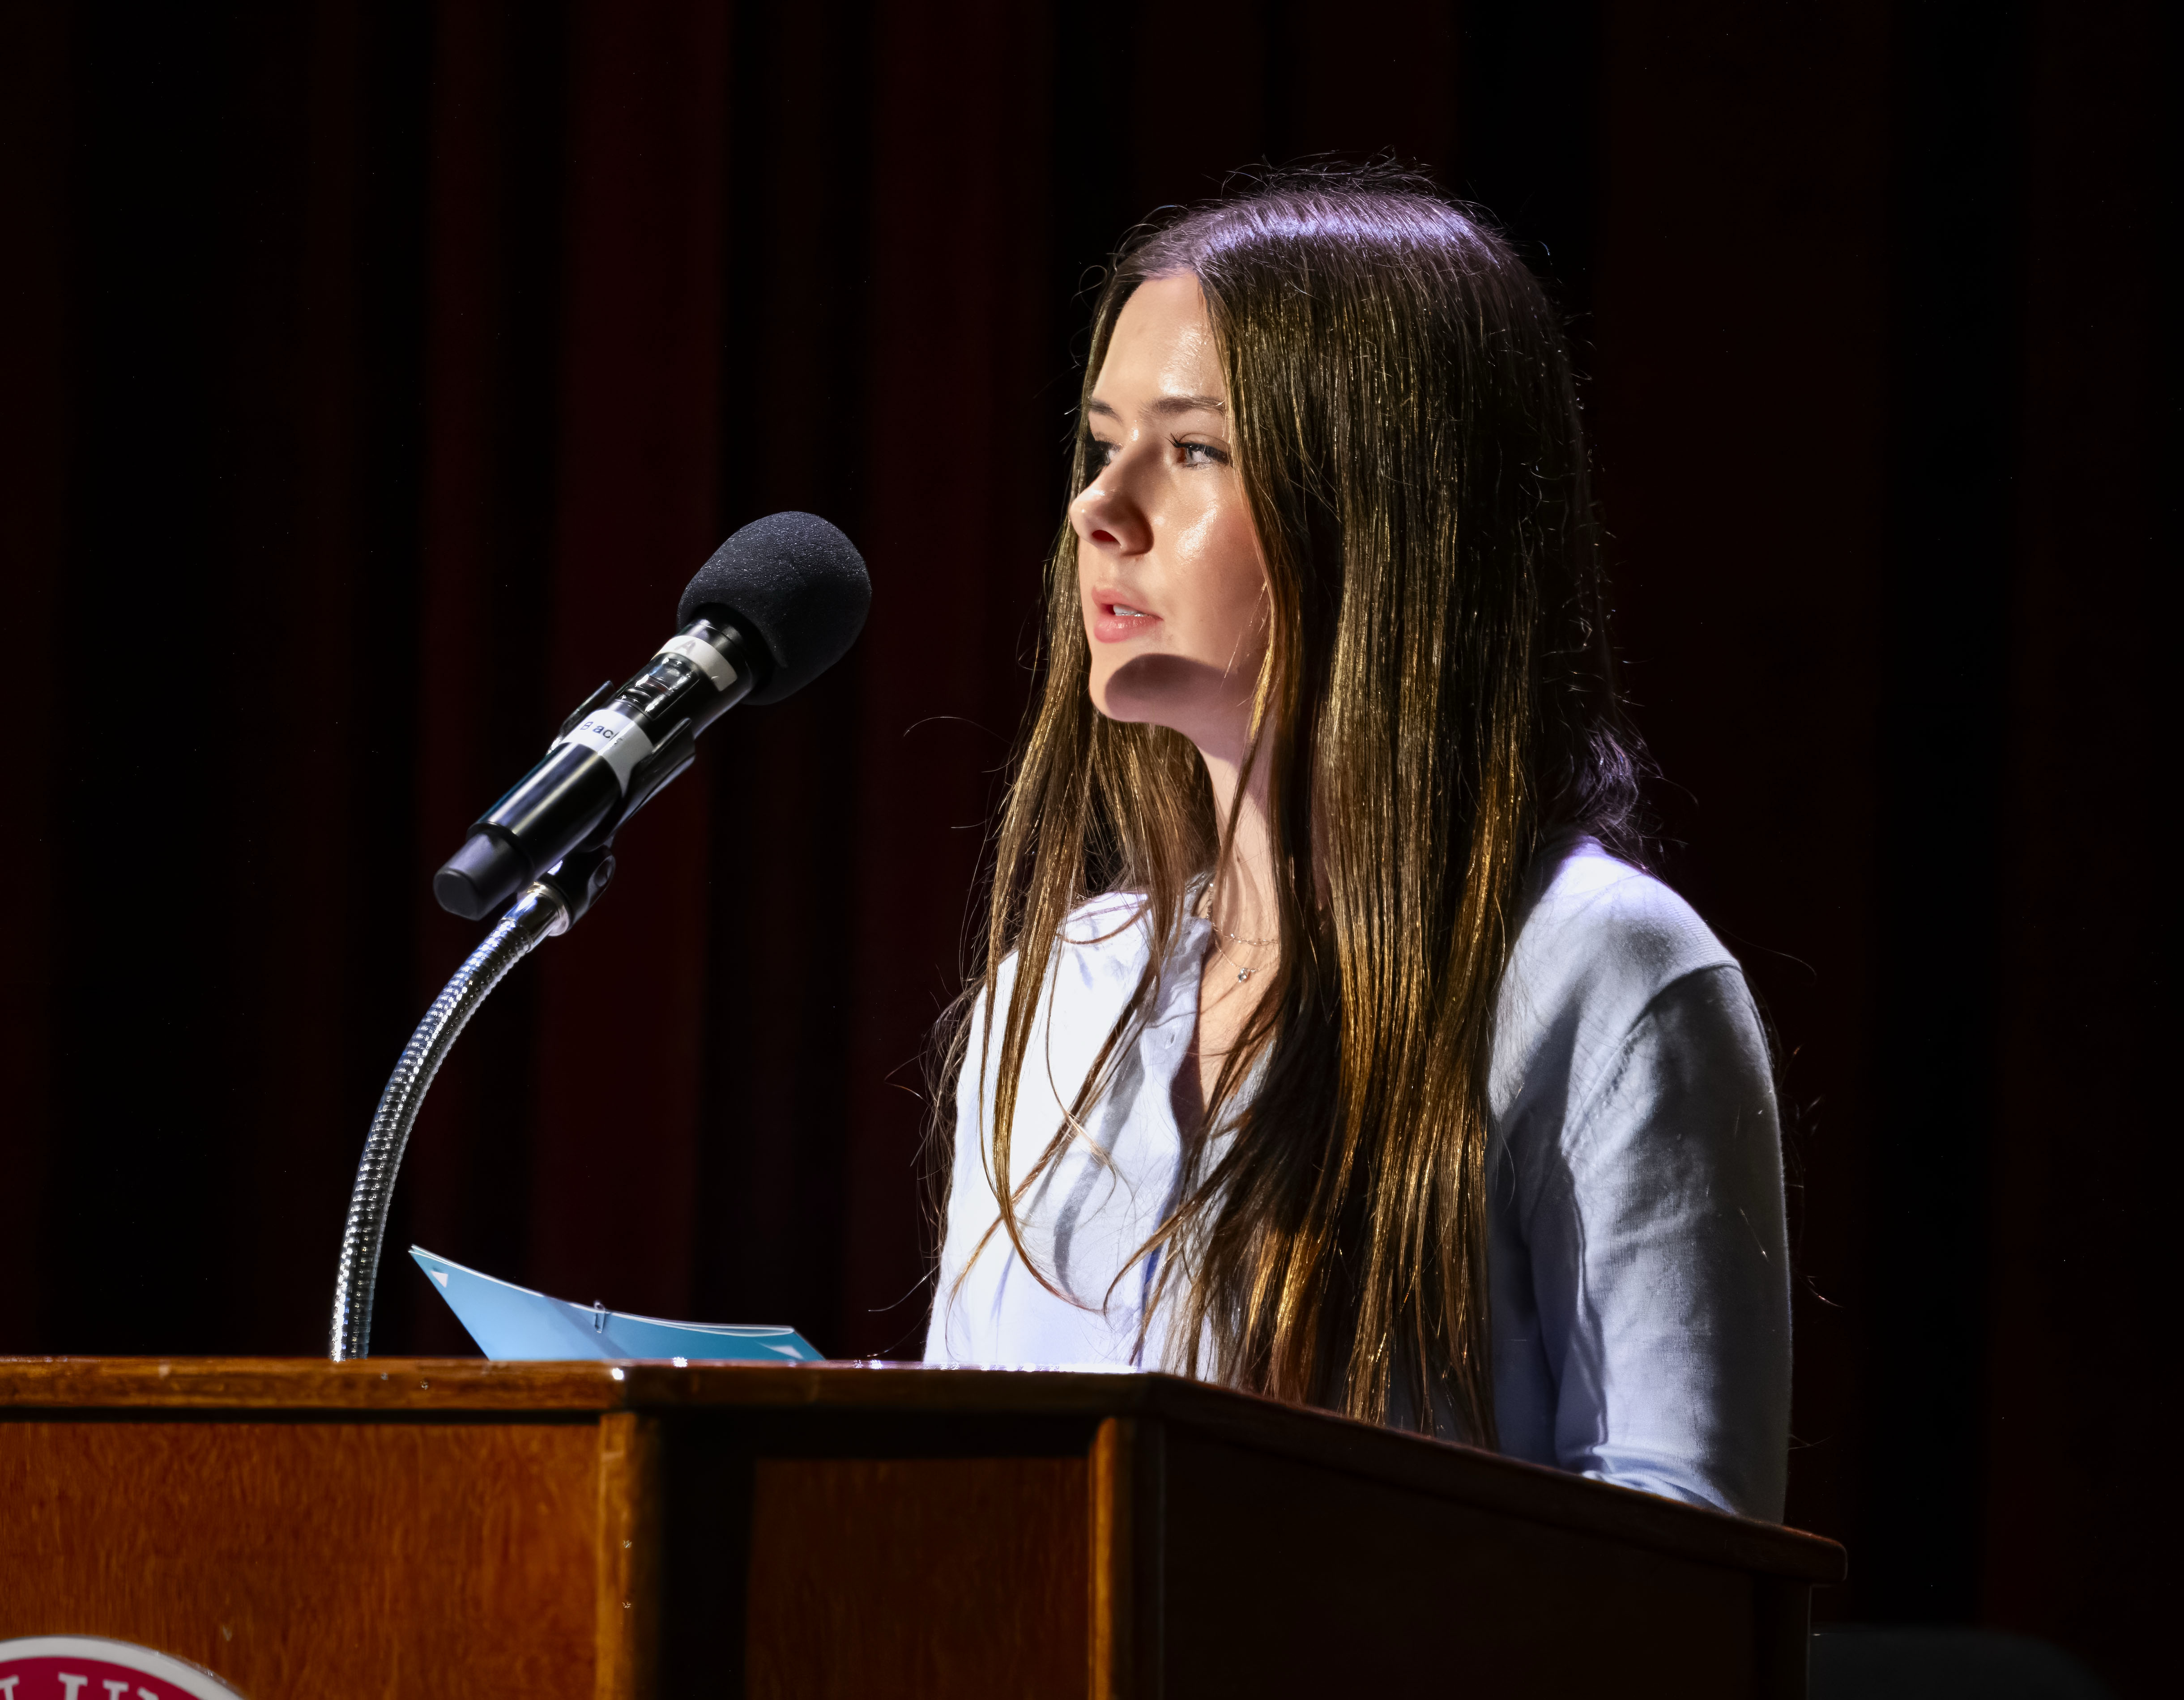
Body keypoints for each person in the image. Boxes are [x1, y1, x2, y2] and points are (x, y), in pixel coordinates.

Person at [921, 167, 1791, 1523]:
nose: (1101, 507)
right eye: (1102, 444)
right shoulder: (1063, 990)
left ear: (1384, 513)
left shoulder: (1600, 976)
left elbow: (1685, 1569)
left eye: (1195, 451)